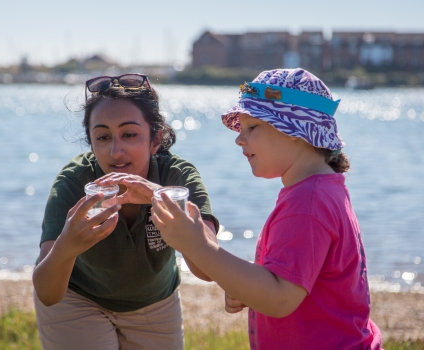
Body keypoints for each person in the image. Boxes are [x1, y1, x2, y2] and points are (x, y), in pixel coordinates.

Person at [151, 68, 382, 349]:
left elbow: (280, 297)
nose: (239, 139)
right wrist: (247, 286)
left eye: (252, 127)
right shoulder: (321, 189)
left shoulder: (307, 203)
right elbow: (291, 278)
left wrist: (199, 246)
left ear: (295, 130)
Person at [32, 73, 219, 350]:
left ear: (155, 140)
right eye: (103, 137)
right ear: (91, 143)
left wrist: (160, 198)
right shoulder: (74, 181)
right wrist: (66, 247)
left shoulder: (177, 177)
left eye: (129, 134)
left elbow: (207, 270)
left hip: (155, 302)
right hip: (78, 299)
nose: (115, 151)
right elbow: (48, 293)